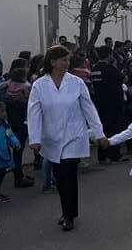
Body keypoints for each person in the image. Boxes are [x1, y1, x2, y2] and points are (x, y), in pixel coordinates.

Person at [27, 45, 106, 231]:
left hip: (74, 135)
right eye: (63, 60)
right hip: (51, 137)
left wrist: (99, 133)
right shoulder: (39, 85)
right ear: (53, 62)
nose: (67, 63)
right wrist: (34, 138)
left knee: (69, 174)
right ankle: (66, 211)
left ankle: (70, 215)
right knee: (60, 176)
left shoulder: (77, 83)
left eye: (68, 60)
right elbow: (34, 112)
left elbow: (89, 108)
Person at [0, 58, 35, 188]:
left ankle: (18, 174)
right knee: (18, 149)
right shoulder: (26, 87)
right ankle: (18, 177)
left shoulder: (5, 87)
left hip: (7, 123)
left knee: (13, 149)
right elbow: (30, 103)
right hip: (21, 122)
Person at [91, 46, 126, 164]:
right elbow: (121, 79)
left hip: (99, 104)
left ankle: (102, 155)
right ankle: (114, 154)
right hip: (112, 104)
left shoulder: (94, 69)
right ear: (109, 55)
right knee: (114, 130)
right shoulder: (110, 69)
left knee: (102, 130)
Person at [0, 102, 21, 203]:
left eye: (5, 111)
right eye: (2, 111)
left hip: (3, 153)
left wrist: (16, 143)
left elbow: (10, 135)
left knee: (1, 173)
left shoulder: (5, 125)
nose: (5, 113)